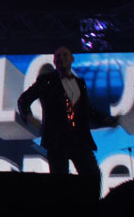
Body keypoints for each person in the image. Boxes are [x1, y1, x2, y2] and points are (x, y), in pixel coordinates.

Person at [17, 46, 118, 183]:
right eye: (58, 56)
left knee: (92, 175)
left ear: (72, 59)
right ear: (54, 61)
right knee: (61, 180)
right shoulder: (46, 80)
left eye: (65, 55)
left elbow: (86, 110)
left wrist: (106, 119)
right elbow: (24, 100)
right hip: (56, 141)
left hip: (79, 139)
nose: (61, 58)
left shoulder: (80, 83)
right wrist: (31, 118)